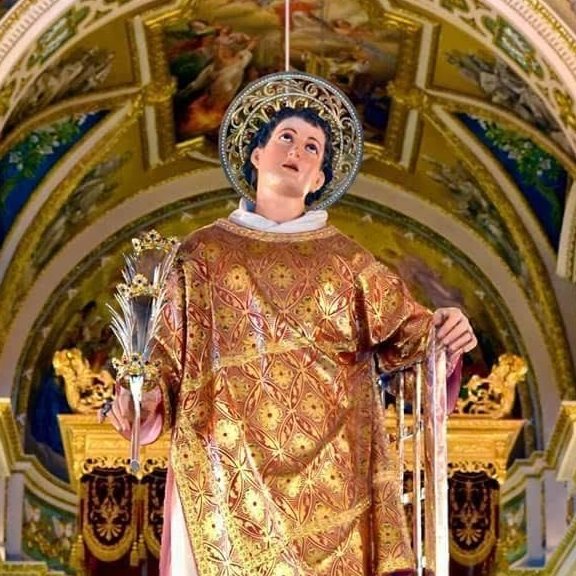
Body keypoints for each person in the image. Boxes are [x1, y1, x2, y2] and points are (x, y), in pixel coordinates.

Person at [107, 71, 477, 576]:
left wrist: (445, 332)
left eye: (311, 147)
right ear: (257, 155)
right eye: (286, 137)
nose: (296, 151)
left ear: (318, 178)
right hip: (225, 469)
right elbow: (164, 360)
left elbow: (412, 340)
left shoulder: (349, 262)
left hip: (335, 481)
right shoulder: (201, 254)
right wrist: (140, 397)